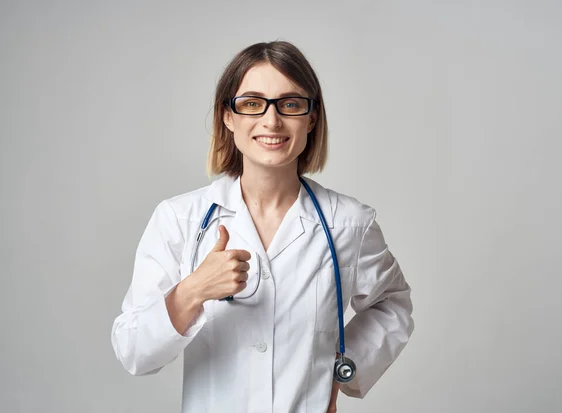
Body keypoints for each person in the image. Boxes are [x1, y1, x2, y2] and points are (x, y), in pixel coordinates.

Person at [111, 40, 414, 413]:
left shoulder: (349, 223)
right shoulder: (180, 220)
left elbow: (392, 304)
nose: (271, 121)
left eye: (290, 104)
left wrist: (343, 374)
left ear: (311, 118)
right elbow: (133, 353)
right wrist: (192, 291)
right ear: (228, 116)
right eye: (252, 104)